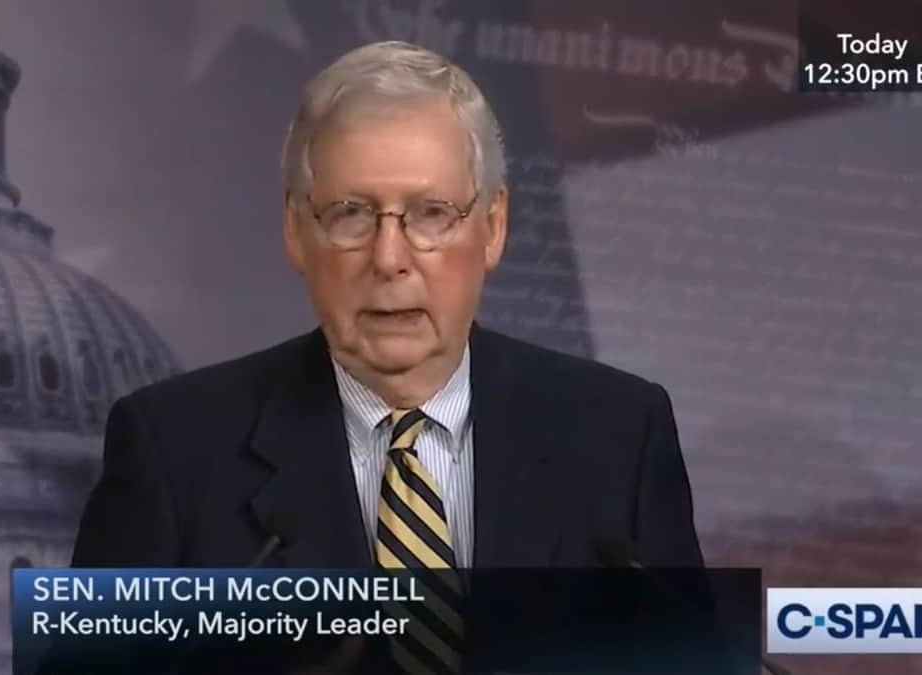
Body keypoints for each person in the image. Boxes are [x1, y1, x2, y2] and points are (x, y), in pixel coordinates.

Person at [66, 40, 706, 674]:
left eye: (432, 214)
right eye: (351, 214)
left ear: (494, 226)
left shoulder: (619, 437)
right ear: (296, 230)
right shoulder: (173, 453)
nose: (389, 258)